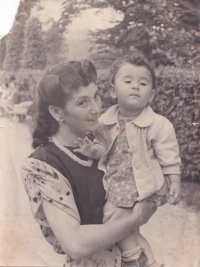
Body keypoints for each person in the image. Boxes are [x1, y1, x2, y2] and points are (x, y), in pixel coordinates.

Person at [21, 60, 157, 267]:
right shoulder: (44, 165)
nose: (96, 109)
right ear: (57, 113)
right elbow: (75, 244)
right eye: (83, 103)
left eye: (96, 97)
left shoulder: (107, 143)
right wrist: (134, 220)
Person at [74, 54, 181, 267]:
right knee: (129, 228)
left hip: (143, 186)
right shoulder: (104, 122)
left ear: (151, 95)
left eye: (143, 83)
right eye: (128, 81)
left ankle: (133, 257)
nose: (135, 87)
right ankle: (149, 262)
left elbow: (169, 155)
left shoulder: (158, 125)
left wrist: (175, 181)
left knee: (109, 218)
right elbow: (104, 150)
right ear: (113, 90)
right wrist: (93, 151)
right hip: (117, 184)